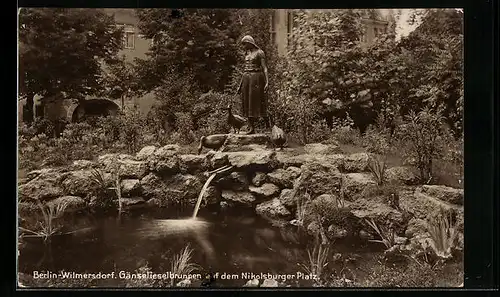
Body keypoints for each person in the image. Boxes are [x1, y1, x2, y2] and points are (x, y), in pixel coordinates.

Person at [236, 35, 269, 134]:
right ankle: (251, 127)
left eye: (244, 44)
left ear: (249, 43)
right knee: (247, 102)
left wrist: (267, 82)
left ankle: (268, 124)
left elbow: (265, 68)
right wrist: (240, 85)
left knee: (257, 101)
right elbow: (245, 70)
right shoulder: (247, 54)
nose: (243, 46)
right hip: (246, 78)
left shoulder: (260, 53)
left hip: (256, 78)